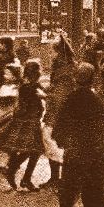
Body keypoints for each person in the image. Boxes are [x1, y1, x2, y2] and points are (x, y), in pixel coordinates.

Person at [49, 63, 104, 207]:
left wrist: (65, 143)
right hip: (93, 156)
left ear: (76, 79)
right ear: (93, 79)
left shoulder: (69, 100)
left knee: (67, 197)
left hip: (74, 155)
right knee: (90, 198)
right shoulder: (99, 102)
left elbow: (58, 129)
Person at [0, 60, 45, 192]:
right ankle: (18, 173)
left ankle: (16, 172)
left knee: (26, 149)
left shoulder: (28, 84)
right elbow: (32, 103)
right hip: (29, 121)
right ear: (36, 73)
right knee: (34, 150)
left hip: (24, 120)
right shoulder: (30, 86)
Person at [42, 34, 76, 189]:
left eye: (52, 52)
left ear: (59, 53)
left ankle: (59, 178)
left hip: (61, 113)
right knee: (59, 143)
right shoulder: (64, 66)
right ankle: (57, 178)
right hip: (62, 112)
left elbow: (61, 93)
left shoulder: (64, 69)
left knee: (54, 141)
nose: (50, 55)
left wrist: (47, 94)